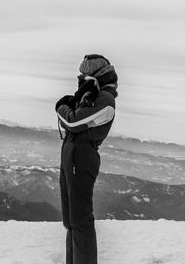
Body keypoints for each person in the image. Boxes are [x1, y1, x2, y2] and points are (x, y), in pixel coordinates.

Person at [54, 54, 118, 264]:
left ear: (97, 74)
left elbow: (72, 122)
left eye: (85, 73)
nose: (81, 77)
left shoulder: (104, 99)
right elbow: (73, 119)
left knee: (80, 220)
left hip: (81, 157)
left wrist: (61, 106)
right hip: (72, 155)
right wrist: (70, 104)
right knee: (71, 220)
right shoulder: (91, 95)